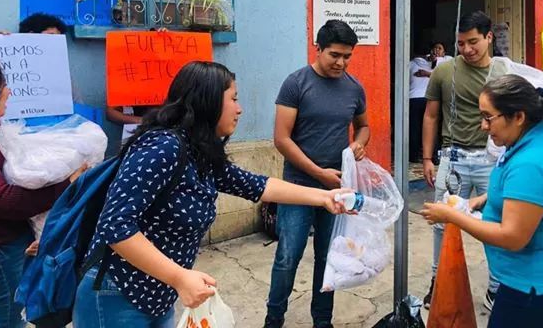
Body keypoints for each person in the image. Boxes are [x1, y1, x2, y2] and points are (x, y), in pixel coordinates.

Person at [72, 61, 352, 327]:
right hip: (116, 293)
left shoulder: (200, 151)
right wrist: (180, 277)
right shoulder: (163, 147)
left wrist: (325, 198)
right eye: (233, 98)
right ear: (207, 100)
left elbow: (257, 185)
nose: (240, 109)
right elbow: (115, 226)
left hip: (160, 295)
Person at [421, 74, 543, 328]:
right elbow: (524, 194)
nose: (483, 126)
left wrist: (453, 216)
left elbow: (513, 237)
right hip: (541, 277)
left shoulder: (532, 162)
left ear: (518, 116)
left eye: (488, 117)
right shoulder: (532, 138)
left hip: (537, 283)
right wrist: (481, 200)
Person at [264, 20, 370, 328]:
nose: (341, 62)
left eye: (347, 56)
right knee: (288, 256)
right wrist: (318, 174)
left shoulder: (353, 87)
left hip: (337, 188)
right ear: (319, 48)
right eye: (334, 55)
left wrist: (359, 144)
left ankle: (322, 321)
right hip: (298, 186)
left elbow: (364, 126)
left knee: (329, 258)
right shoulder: (296, 83)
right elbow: (282, 139)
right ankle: (274, 319)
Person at [0, 56, 85, 328]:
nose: (8, 91)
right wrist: (65, 184)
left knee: (17, 315)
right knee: (9, 320)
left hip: (12, 242)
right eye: (2, 86)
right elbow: (1, 200)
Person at [421, 11, 499, 310]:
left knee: (494, 225)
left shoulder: (504, 72)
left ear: (489, 37)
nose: (466, 49)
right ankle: (438, 283)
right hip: (452, 160)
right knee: (442, 225)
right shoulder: (445, 71)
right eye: (461, 43)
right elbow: (430, 115)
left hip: (490, 161)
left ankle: (496, 287)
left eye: (473, 42)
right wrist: (428, 158)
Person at [409, 48, 433, 162]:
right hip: (428, 99)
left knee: (414, 129)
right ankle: (431, 156)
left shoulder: (409, 64)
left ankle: (413, 156)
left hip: (413, 98)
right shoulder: (431, 66)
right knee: (428, 128)